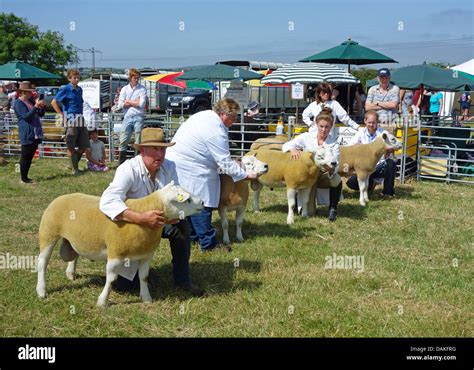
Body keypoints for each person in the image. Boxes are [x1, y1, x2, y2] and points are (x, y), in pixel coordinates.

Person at [99, 127, 204, 296]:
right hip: (134, 228)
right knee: (125, 287)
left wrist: (174, 216)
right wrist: (140, 218)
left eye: (162, 149)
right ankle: (131, 271)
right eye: (155, 149)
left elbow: (176, 195)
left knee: (182, 227)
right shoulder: (128, 169)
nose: (160, 154)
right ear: (142, 150)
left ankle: (183, 280)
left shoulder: (169, 167)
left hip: (161, 222)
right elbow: (108, 200)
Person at [166, 98, 259, 252]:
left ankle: (193, 237)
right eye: (233, 117)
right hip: (192, 168)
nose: (235, 121)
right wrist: (245, 175)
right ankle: (208, 244)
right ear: (223, 114)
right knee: (201, 203)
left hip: (181, 163)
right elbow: (224, 161)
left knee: (188, 201)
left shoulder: (207, 117)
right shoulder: (215, 130)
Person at [282, 107, 342, 221]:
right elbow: (286, 145)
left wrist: (331, 169)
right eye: (321, 126)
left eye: (327, 127)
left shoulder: (334, 143)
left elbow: (337, 164)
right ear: (316, 124)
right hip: (308, 176)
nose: (324, 130)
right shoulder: (306, 137)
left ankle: (333, 208)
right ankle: (296, 198)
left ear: (331, 126)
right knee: (309, 212)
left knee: (336, 179)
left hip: (323, 174)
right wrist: (292, 149)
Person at [346, 110, 397, 197]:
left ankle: (388, 193)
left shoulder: (383, 133)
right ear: (365, 121)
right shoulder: (360, 133)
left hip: (379, 165)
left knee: (391, 163)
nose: (371, 125)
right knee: (351, 183)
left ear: (377, 122)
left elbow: (394, 145)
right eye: (369, 122)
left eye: (374, 122)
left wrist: (389, 149)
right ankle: (370, 184)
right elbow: (349, 147)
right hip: (364, 166)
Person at [52, 69, 89, 175]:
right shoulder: (65, 89)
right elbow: (54, 102)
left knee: (83, 145)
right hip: (70, 118)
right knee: (70, 144)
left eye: (78, 77)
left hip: (80, 117)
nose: (77, 79)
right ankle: (75, 169)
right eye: (74, 77)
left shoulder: (80, 89)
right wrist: (62, 114)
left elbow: (81, 103)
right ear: (69, 78)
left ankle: (72, 164)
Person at [13, 81, 45, 184]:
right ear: (23, 92)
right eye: (29, 92)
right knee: (25, 156)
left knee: (30, 156)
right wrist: (36, 106)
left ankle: (26, 177)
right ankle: (23, 178)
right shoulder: (18, 103)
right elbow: (26, 117)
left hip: (35, 133)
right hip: (27, 133)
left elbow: (40, 114)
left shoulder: (30, 101)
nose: (31, 93)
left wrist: (42, 106)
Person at [117, 68, 147, 164]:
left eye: (138, 78)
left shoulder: (142, 89)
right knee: (123, 140)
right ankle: (121, 162)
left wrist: (128, 101)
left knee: (138, 141)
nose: (136, 80)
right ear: (130, 78)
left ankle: (138, 162)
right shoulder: (124, 89)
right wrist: (135, 102)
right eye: (134, 78)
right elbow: (120, 105)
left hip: (139, 116)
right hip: (128, 116)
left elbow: (141, 104)